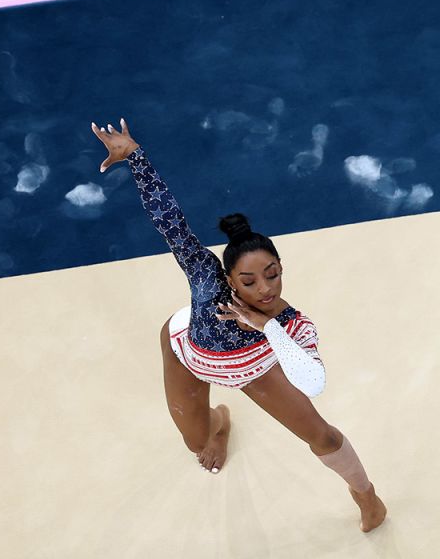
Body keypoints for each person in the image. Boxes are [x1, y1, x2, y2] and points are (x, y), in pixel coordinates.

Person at [91, 118, 388, 533]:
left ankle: (367, 496)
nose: (264, 289)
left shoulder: (290, 322)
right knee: (197, 443)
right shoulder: (205, 276)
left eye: (273, 274)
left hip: (253, 366)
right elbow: (171, 222)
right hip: (189, 353)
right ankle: (220, 422)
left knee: (323, 437)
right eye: (249, 281)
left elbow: (313, 381)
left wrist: (267, 327)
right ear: (229, 279)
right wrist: (137, 159)